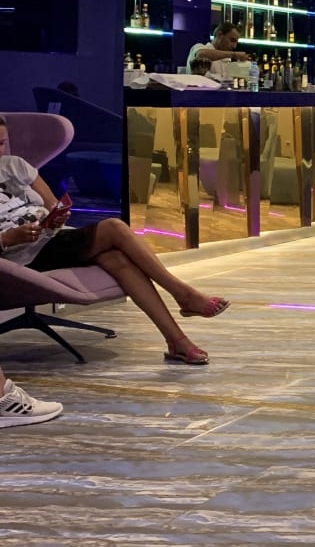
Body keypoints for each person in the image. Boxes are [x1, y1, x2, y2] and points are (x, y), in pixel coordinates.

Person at [0, 115, 227, 367]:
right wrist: (8, 238)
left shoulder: (16, 165)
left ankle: (177, 342)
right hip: (19, 256)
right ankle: (182, 294)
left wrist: (56, 217)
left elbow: (53, 204)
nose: (1, 150)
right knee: (114, 227)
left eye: (3, 143)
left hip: (52, 238)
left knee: (117, 259)